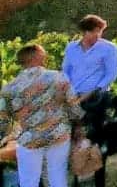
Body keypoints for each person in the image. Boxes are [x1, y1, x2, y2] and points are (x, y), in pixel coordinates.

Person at [1, 44, 82, 187]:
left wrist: (4, 138)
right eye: (43, 54)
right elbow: (74, 107)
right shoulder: (58, 78)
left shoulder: (9, 88)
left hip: (29, 140)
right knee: (57, 177)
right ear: (35, 56)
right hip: (58, 135)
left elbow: (3, 119)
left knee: (29, 181)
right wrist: (78, 128)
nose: (45, 57)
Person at [61, 15, 117, 108]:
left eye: (99, 31)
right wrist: (69, 92)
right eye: (93, 31)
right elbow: (65, 71)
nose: (97, 35)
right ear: (84, 32)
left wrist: (96, 90)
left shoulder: (109, 48)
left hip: (97, 96)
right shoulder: (71, 47)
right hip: (74, 95)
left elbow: (112, 73)